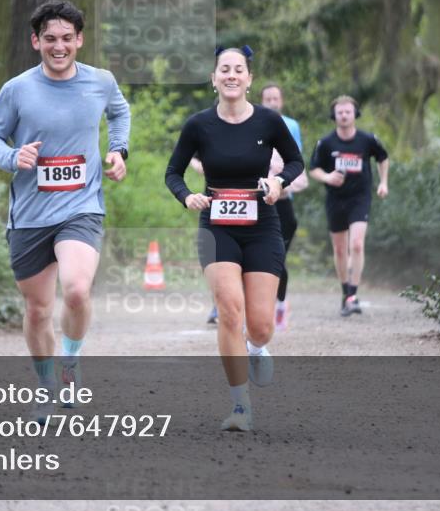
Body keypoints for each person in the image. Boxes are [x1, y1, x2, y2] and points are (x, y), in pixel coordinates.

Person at [0, 0, 130, 422]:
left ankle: (71, 360)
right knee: (39, 310)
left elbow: (119, 112)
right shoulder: (17, 89)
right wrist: (13, 157)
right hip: (28, 213)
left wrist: (118, 150)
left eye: (67, 38)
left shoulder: (100, 82)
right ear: (36, 41)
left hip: (81, 207)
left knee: (77, 290)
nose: (58, 46)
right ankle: (46, 387)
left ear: (80, 40)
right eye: (50, 39)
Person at [165, 46, 303, 431]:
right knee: (229, 309)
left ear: (248, 79)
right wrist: (187, 195)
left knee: (259, 325)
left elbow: (295, 162)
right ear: (213, 78)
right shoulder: (198, 125)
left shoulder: (268, 121)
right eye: (223, 69)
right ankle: (240, 406)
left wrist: (278, 181)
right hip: (217, 226)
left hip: (262, 226)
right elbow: (173, 172)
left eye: (238, 69)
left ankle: (257, 347)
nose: (230, 75)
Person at [309, 95, 388, 317]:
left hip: (360, 198)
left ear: (355, 114)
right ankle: (345, 292)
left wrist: (383, 183)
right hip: (335, 199)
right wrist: (327, 177)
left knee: (356, 244)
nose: (344, 115)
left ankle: (353, 294)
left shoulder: (367, 140)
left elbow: (383, 158)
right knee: (340, 249)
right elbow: (313, 168)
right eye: (340, 112)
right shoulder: (326, 143)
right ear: (334, 116)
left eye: (348, 111)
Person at [259, 83, 308, 331]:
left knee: (277, 259)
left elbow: (298, 168)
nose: (272, 102)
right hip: (257, 207)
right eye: (267, 98)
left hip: (283, 205)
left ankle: (280, 304)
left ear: (282, 101)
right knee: (259, 260)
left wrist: (282, 183)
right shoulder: (253, 126)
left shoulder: (291, 127)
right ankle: (262, 308)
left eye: (275, 98)